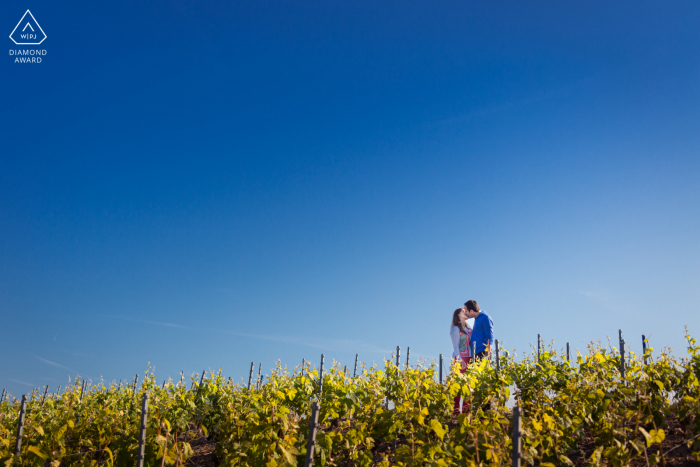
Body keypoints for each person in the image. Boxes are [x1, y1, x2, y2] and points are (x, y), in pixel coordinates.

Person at [450, 307, 472, 414]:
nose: (465, 312)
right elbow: (455, 347)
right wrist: (459, 360)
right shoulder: (455, 329)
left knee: (467, 386)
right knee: (458, 386)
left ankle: (466, 412)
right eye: (463, 311)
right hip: (460, 359)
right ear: (458, 315)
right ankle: (456, 412)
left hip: (469, 359)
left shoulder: (468, 329)